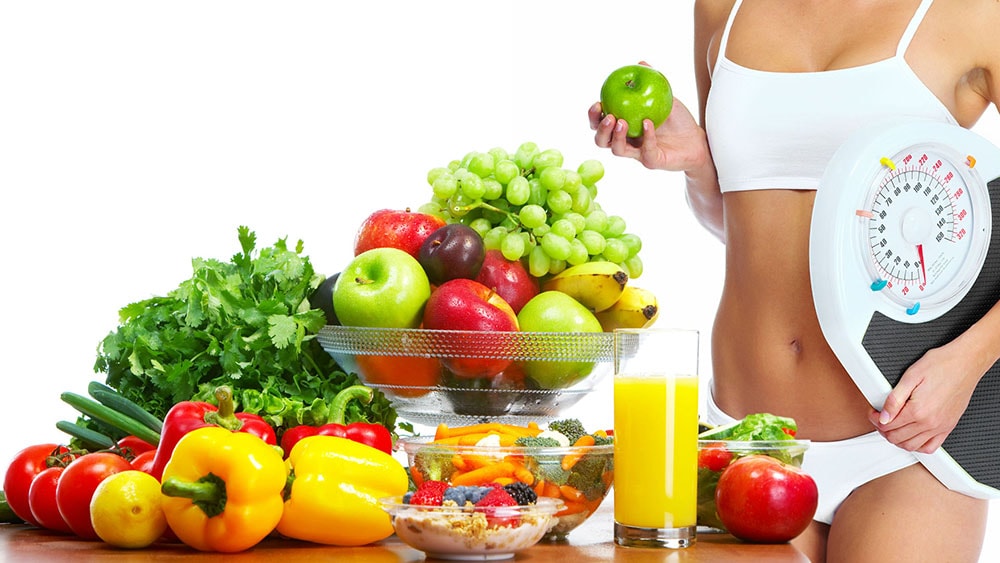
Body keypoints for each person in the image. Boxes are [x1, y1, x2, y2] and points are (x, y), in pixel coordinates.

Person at [589, 1, 1000, 561]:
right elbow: (744, 229)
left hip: (906, 443)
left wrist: (968, 361)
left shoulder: (973, 13)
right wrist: (697, 164)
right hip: (746, 435)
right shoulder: (721, 9)